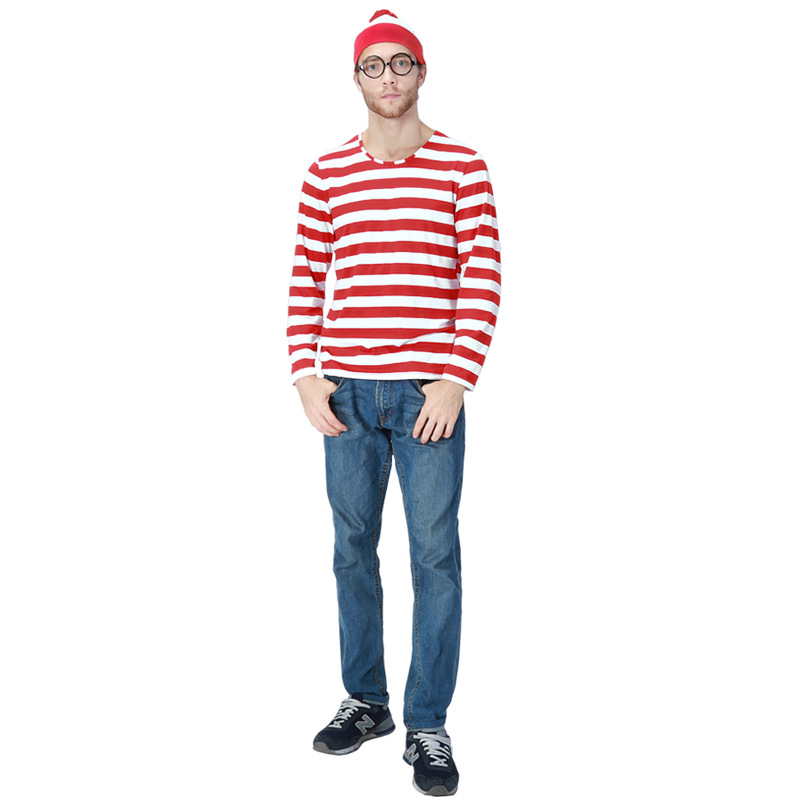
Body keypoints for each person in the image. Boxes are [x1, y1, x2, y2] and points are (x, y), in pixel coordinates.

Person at [286, 10, 501, 796]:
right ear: (356, 77)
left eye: (400, 63)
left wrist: (455, 376)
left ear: (421, 72)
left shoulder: (463, 166)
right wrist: (304, 373)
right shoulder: (326, 173)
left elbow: (483, 276)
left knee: (434, 557)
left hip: (425, 398)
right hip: (344, 393)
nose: (387, 77)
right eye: (373, 65)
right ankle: (366, 701)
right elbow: (307, 276)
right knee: (351, 549)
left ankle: (427, 724)